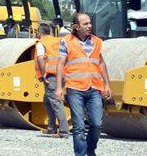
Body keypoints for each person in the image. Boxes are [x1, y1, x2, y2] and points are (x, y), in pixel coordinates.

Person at [56, 13, 113, 156]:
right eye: (85, 24)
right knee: (79, 126)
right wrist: (58, 87)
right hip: (75, 88)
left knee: (96, 125)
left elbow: (101, 63)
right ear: (76, 27)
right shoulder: (66, 42)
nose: (89, 26)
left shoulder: (97, 41)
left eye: (90, 23)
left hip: (94, 88)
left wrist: (107, 85)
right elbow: (60, 64)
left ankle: (90, 149)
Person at [34, 23, 68, 137]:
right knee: (47, 100)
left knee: (56, 102)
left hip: (51, 76)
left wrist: (43, 73)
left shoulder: (41, 43)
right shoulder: (58, 41)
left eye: (36, 32)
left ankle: (63, 131)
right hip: (62, 74)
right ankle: (51, 128)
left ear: (40, 32)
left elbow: (40, 58)